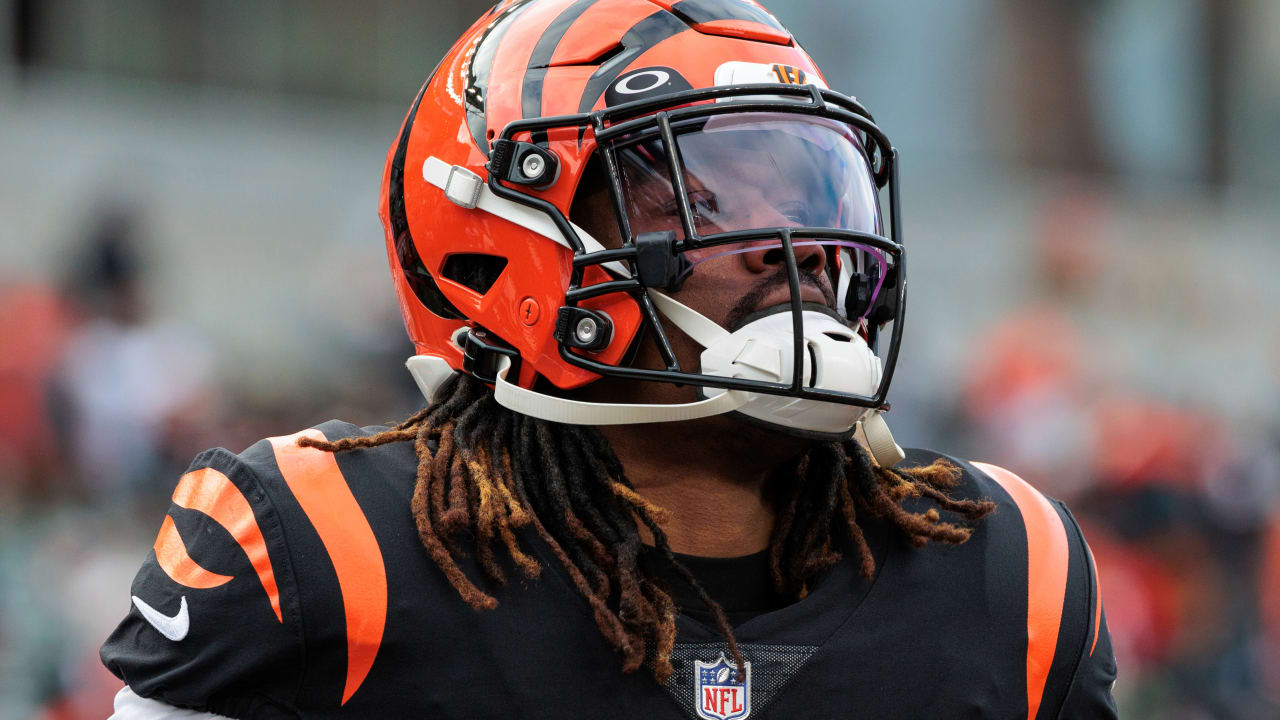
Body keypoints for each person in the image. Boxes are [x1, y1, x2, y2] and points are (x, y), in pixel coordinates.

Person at [101, 1, 1118, 717]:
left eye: (813, 186)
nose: (796, 240)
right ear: (505, 244)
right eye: (707, 190)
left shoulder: (1005, 574)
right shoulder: (329, 548)